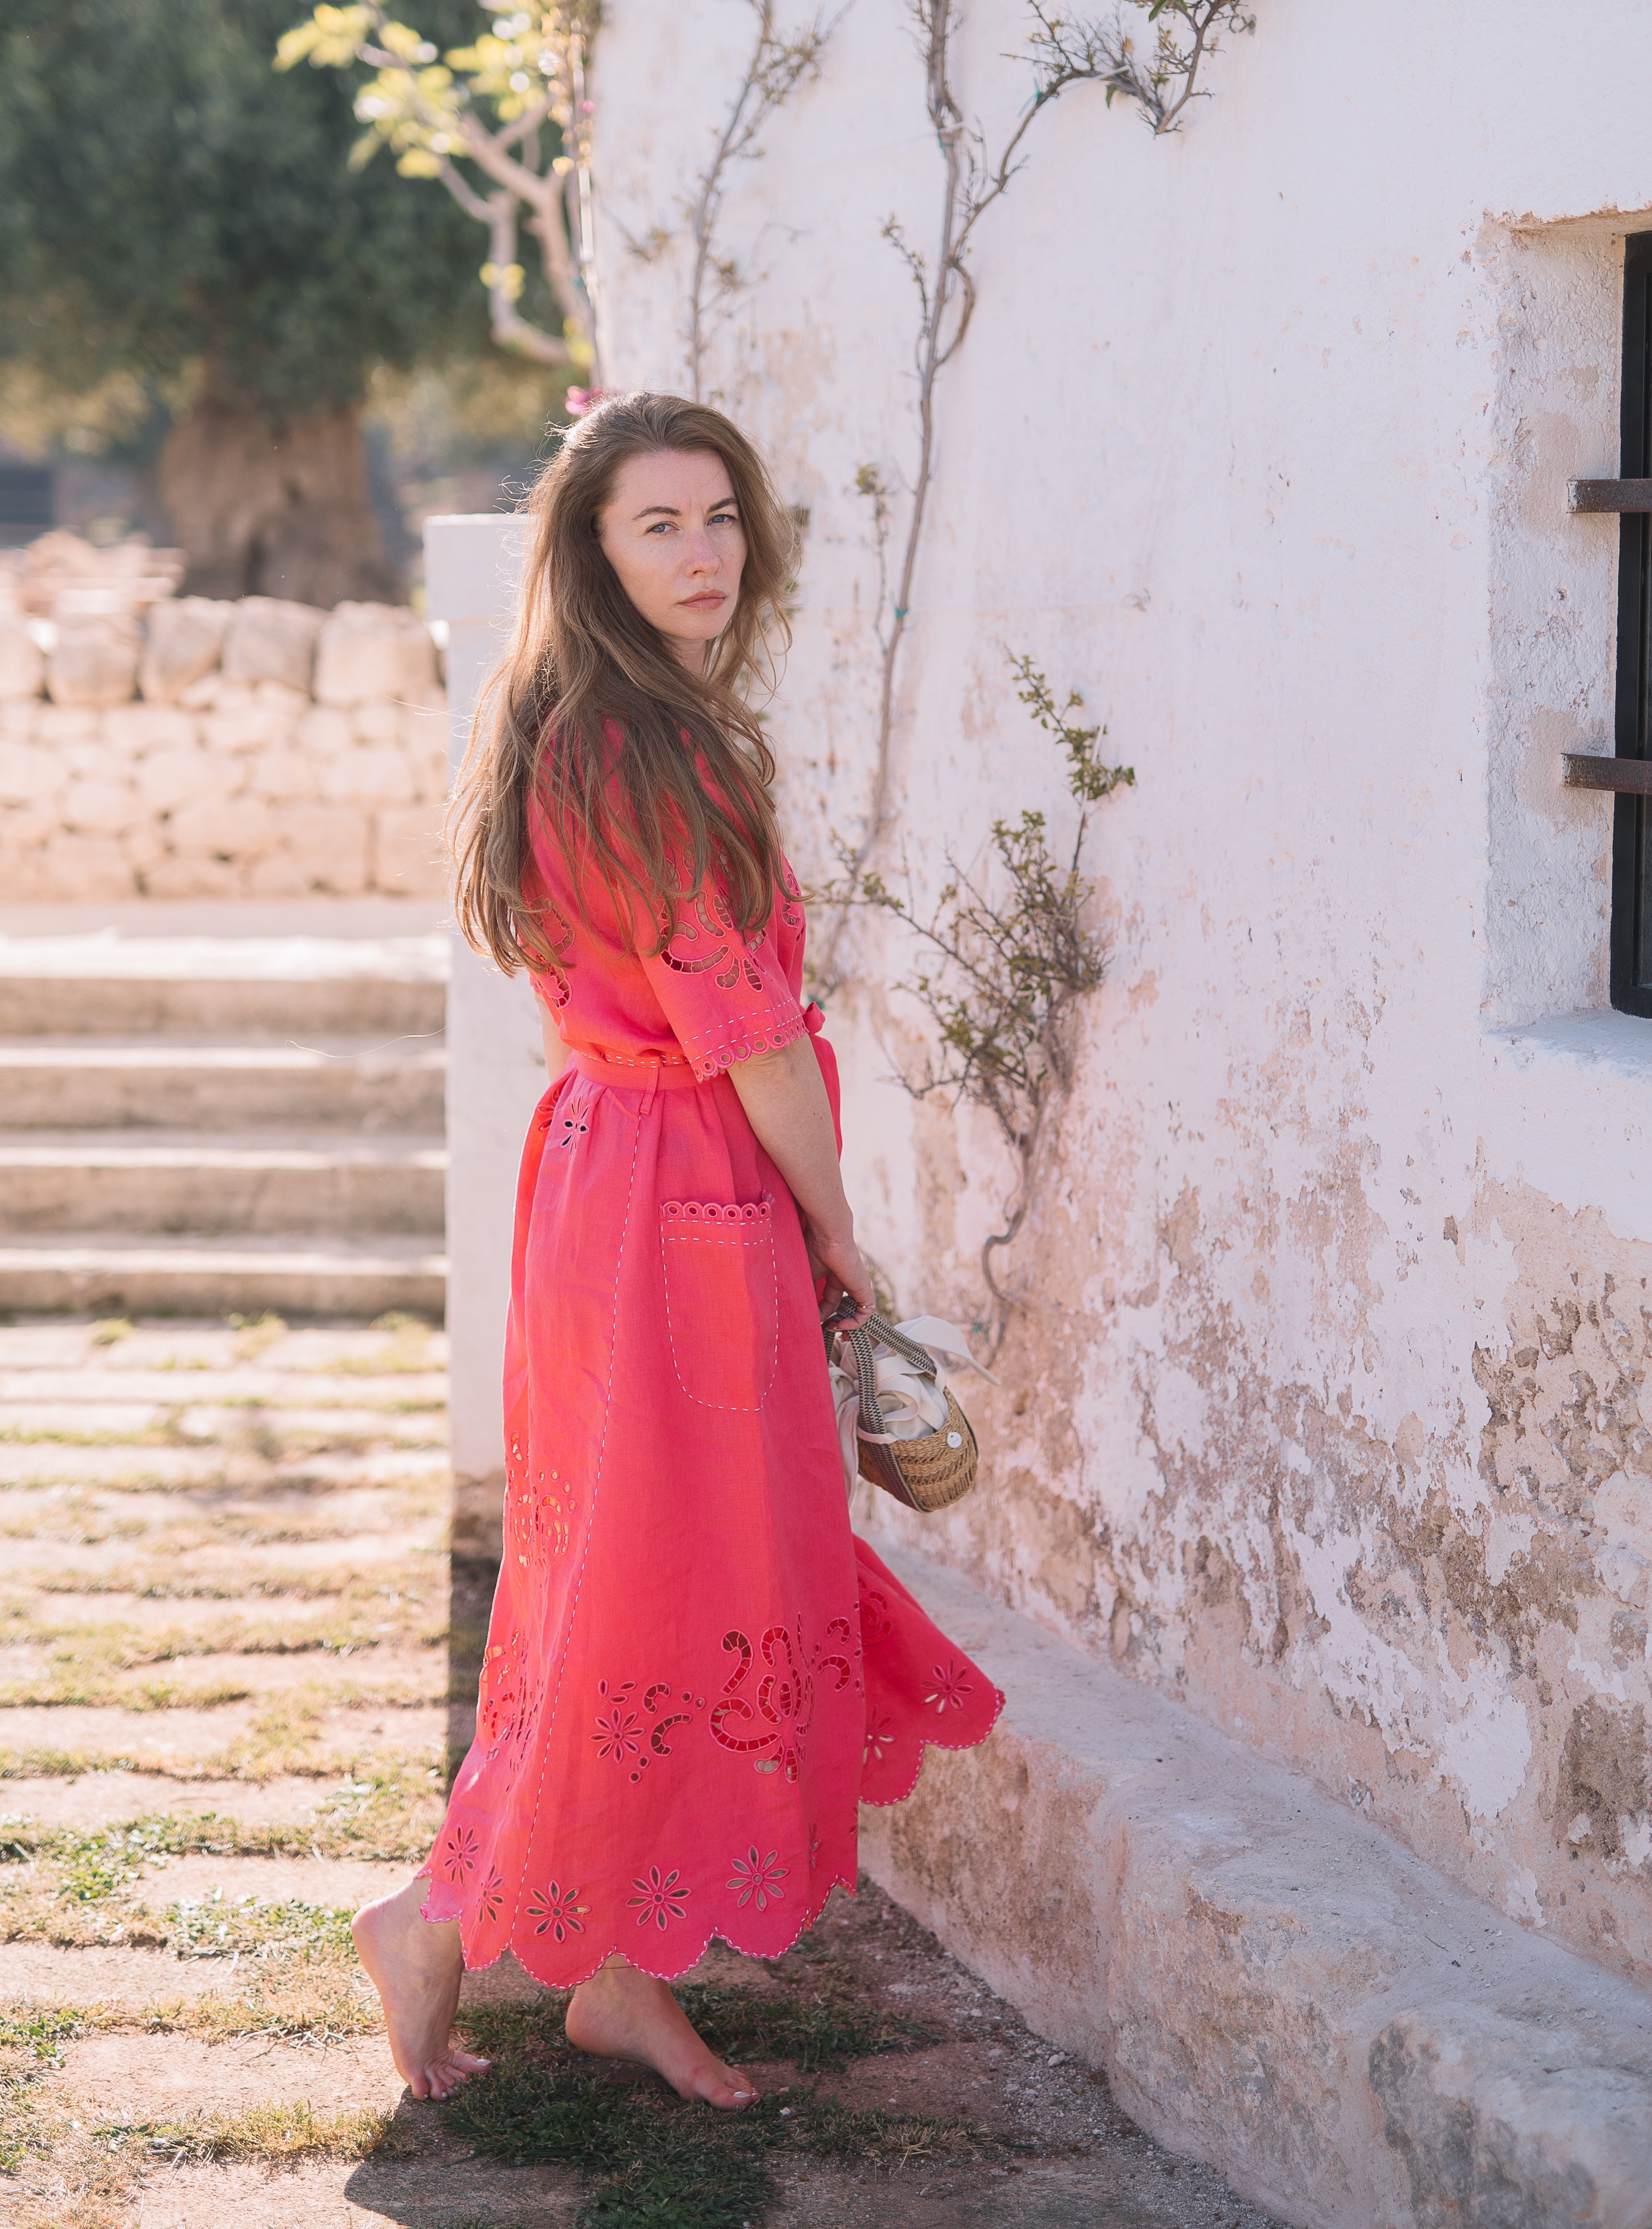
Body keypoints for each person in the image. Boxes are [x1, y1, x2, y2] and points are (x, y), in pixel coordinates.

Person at [352, 391, 1001, 2108]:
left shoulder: (580, 721)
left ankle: (613, 1976)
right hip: (677, 1193)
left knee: (641, 1571)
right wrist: (836, 1220)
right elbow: (753, 1035)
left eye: (719, 516)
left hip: (610, 1175)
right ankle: (437, 1917)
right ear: (594, 551)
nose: (703, 552)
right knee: (653, 1579)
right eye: (659, 524)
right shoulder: (650, 749)